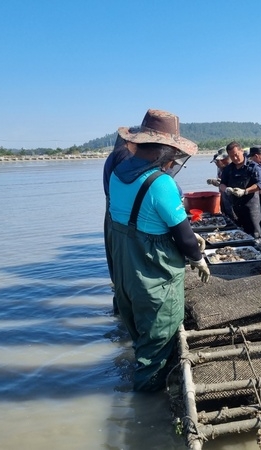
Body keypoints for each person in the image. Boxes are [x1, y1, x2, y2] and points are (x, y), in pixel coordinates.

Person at [108, 109, 210, 392]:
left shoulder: (118, 174)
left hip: (125, 271)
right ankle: (145, 407)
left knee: (139, 333)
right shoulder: (161, 183)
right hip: (153, 275)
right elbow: (184, 236)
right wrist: (198, 258)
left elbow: (133, 220)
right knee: (158, 340)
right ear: (163, 151)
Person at [103, 133, 136, 315]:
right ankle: (125, 310)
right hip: (121, 215)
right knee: (126, 264)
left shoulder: (113, 156)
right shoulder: (124, 156)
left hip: (112, 213)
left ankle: (120, 311)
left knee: (117, 263)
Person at [219, 141, 261, 242]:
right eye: (232, 156)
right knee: (237, 233)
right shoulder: (228, 169)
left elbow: (260, 184)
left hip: (251, 208)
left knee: (255, 234)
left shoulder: (253, 167)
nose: (235, 158)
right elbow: (222, 184)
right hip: (234, 207)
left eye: (236, 155)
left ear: (242, 152)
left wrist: (245, 191)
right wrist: (226, 189)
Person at [207, 148, 235, 220]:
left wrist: (220, 183)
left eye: (218, 161)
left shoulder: (233, 168)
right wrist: (214, 182)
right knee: (225, 214)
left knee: (233, 215)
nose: (216, 163)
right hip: (223, 195)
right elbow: (220, 181)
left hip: (232, 197)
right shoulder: (220, 169)